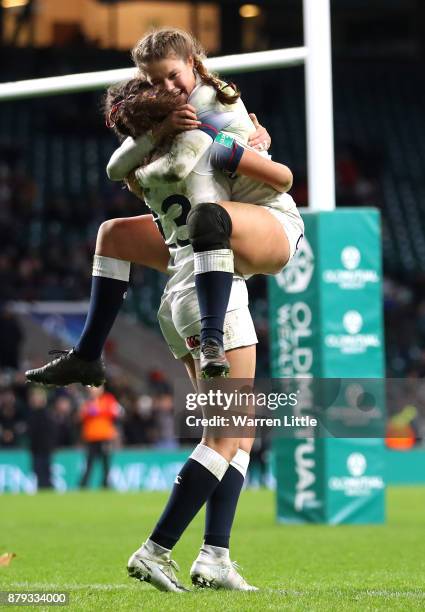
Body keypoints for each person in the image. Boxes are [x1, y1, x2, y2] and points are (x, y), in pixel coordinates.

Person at [25, 27, 302, 384]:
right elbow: (115, 167)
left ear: (193, 62)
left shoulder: (208, 108)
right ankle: (87, 354)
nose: (169, 88)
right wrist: (155, 135)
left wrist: (143, 170)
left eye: (174, 76)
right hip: (209, 243)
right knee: (114, 235)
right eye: (157, 82)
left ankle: (212, 337)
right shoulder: (170, 118)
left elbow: (177, 167)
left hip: (267, 224)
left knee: (207, 217)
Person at [79, 386, 120, 488]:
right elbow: (81, 415)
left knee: (105, 462)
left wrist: (97, 409)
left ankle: (106, 484)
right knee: (89, 463)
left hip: (104, 436)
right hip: (91, 437)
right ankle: (84, 485)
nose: (94, 390)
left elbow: (114, 412)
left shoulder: (108, 399)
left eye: (97, 387)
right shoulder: (86, 401)